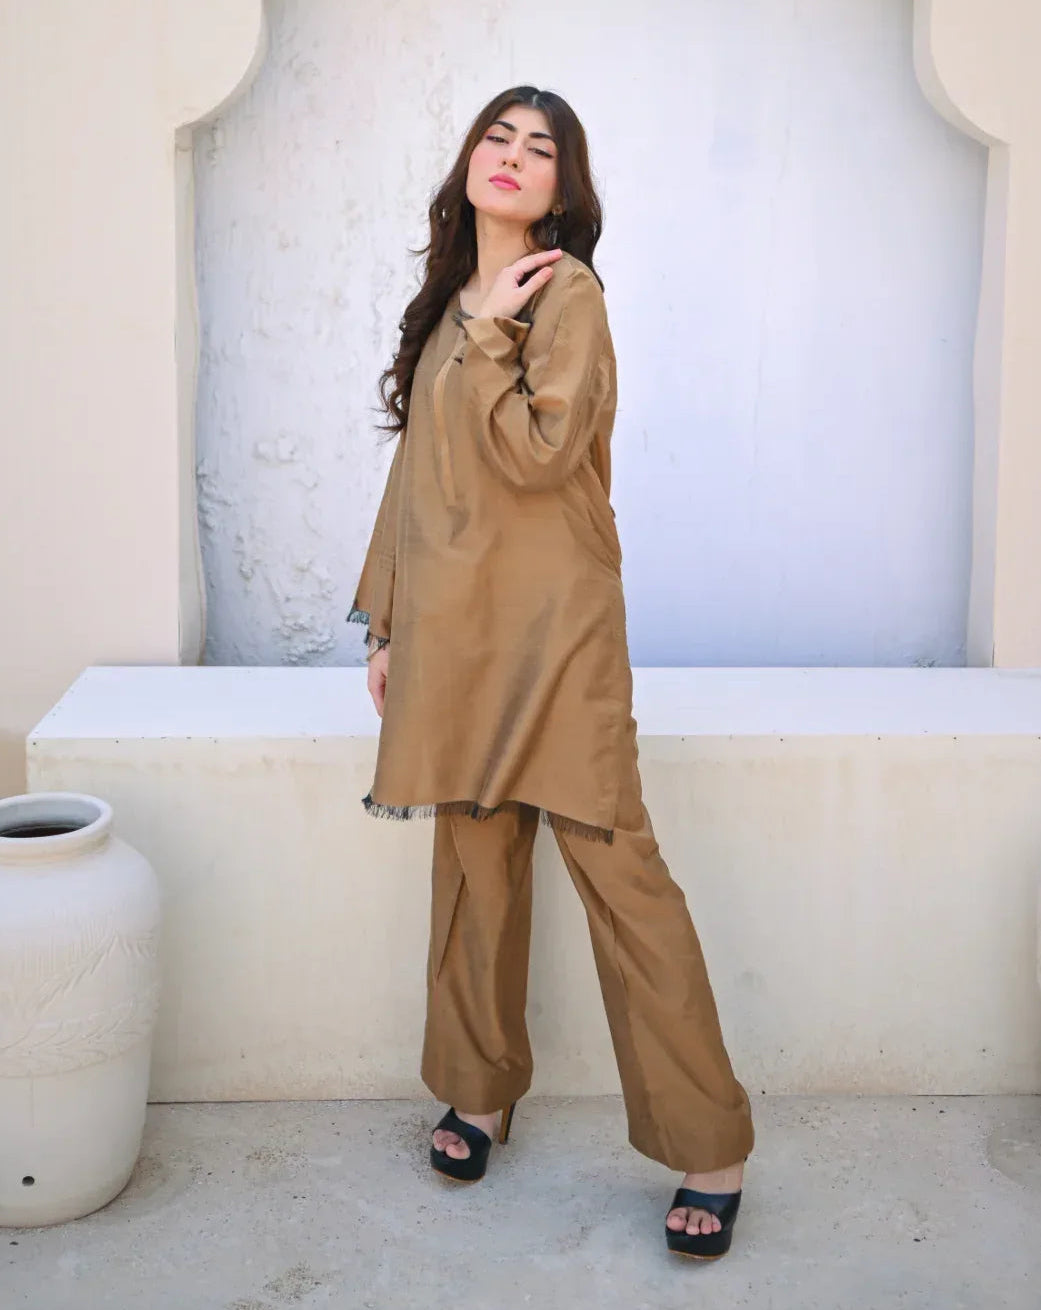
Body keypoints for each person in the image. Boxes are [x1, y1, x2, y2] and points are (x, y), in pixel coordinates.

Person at [346, 85, 755, 1260]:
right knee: (473, 866)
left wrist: (489, 337)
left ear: (565, 189)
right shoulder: (449, 303)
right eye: (498, 137)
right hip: (457, 633)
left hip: (560, 635)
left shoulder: (562, 294)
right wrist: (385, 620)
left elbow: (538, 452)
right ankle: (479, 1091)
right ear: (469, 163)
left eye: (542, 149)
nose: (515, 157)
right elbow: (417, 475)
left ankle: (709, 1139)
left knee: (623, 879)